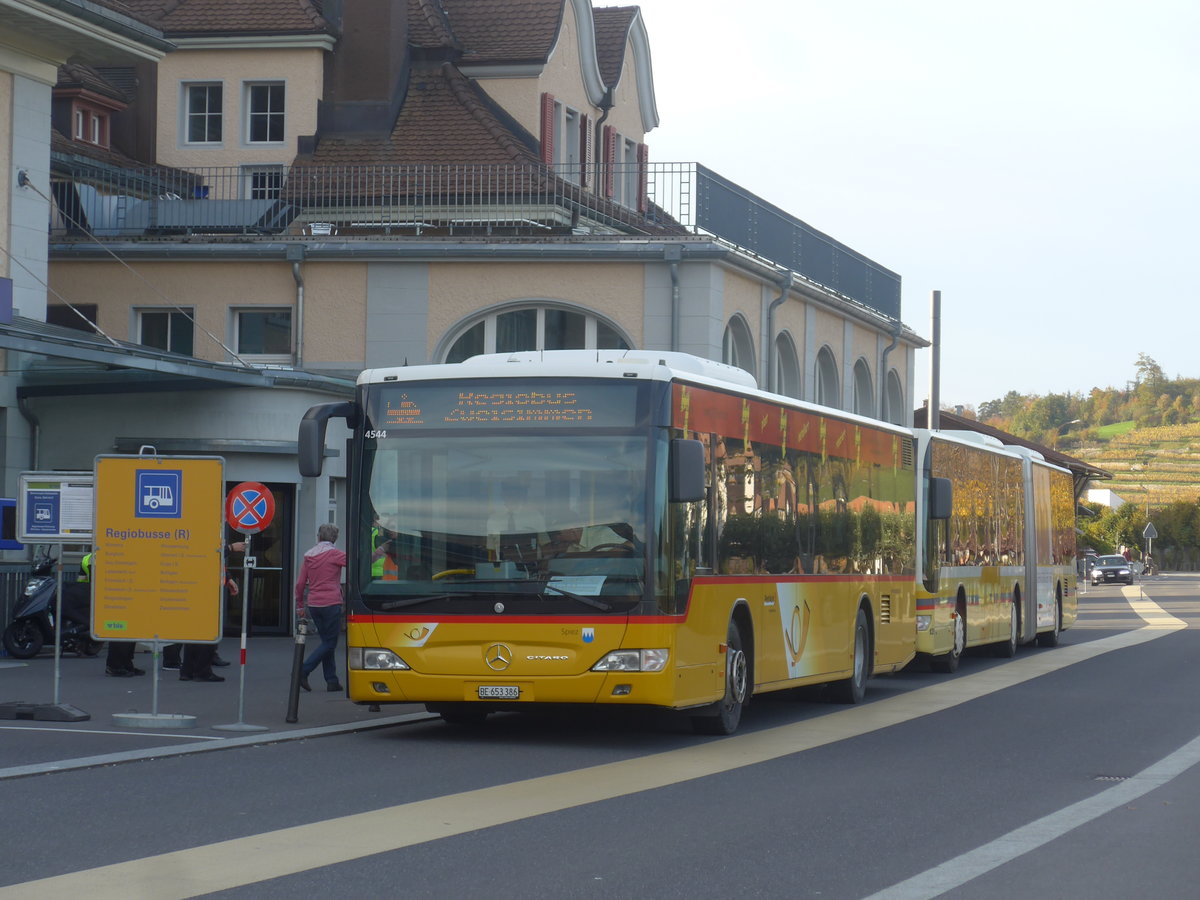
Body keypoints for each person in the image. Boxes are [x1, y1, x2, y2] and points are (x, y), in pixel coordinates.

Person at [295, 523, 348, 692]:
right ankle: (303, 670)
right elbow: (357, 562)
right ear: (335, 538)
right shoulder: (335, 555)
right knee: (330, 642)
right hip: (331, 603)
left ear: (319, 537)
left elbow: (300, 583)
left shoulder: (309, 556)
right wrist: (378, 553)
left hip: (314, 604)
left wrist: (299, 605)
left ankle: (331, 680)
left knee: (326, 642)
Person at [86, 551, 145, 678]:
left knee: (130, 633)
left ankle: (126, 663)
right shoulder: (107, 555)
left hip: (126, 596)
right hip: (115, 598)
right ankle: (114, 666)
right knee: (120, 633)